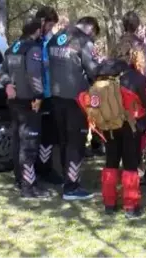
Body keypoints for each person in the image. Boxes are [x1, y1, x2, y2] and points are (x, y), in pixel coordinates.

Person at [78, 57, 146, 219]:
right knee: (130, 165)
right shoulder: (136, 77)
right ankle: (130, 206)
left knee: (111, 162)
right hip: (130, 125)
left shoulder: (100, 76)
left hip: (107, 125)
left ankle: (109, 203)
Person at [47, 16, 101, 201]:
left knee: (63, 140)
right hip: (76, 99)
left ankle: (65, 179)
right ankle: (72, 186)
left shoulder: (57, 37)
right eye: (94, 34)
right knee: (76, 142)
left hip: (56, 95)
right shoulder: (84, 42)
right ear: (90, 28)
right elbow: (94, 69)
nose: (93, 37)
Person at [0, 17, 51, 199]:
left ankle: (20, 180)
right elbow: (34, 74)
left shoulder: (12, 48)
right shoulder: (33, 48)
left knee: (18, 143)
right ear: (37, 30)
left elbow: (3, 71)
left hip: (14, 103)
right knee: (29, 145)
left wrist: (7, 85)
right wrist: (39, 96)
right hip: (29, 102)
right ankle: (28, 188)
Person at [34, 6, 64, 185]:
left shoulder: (49, 39)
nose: (51, 29)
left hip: (50, 91)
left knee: (49, 134)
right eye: (50, 25)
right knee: (45, 134)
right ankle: (43, 169)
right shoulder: (36, 39)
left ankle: (45, 166)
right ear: (43, 22)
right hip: (42, 93)